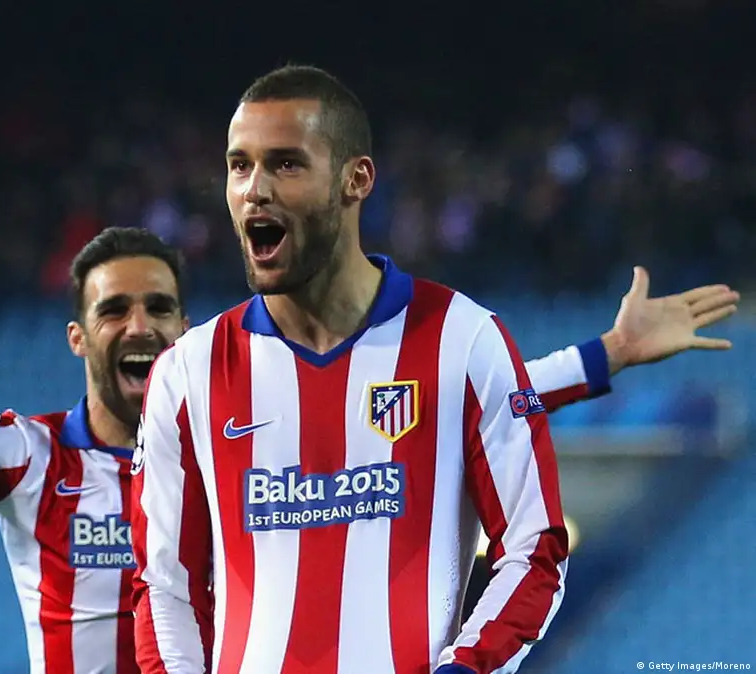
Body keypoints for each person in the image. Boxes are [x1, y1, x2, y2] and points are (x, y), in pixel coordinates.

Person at [0, 222, 734, 674]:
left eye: (160, 307)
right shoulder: (25, 457)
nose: (140, 325)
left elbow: (463, 401)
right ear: (78, 335)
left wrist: (603, 354)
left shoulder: (249, 436)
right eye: (114, 309)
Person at [128, 66, 740, 674]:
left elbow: (533, 549)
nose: (254, 190)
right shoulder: (188, 373)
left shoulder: (463, 340)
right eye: (239, 166)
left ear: (355, 180)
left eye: (286, 164)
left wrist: (462, 670)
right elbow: (164, 584)